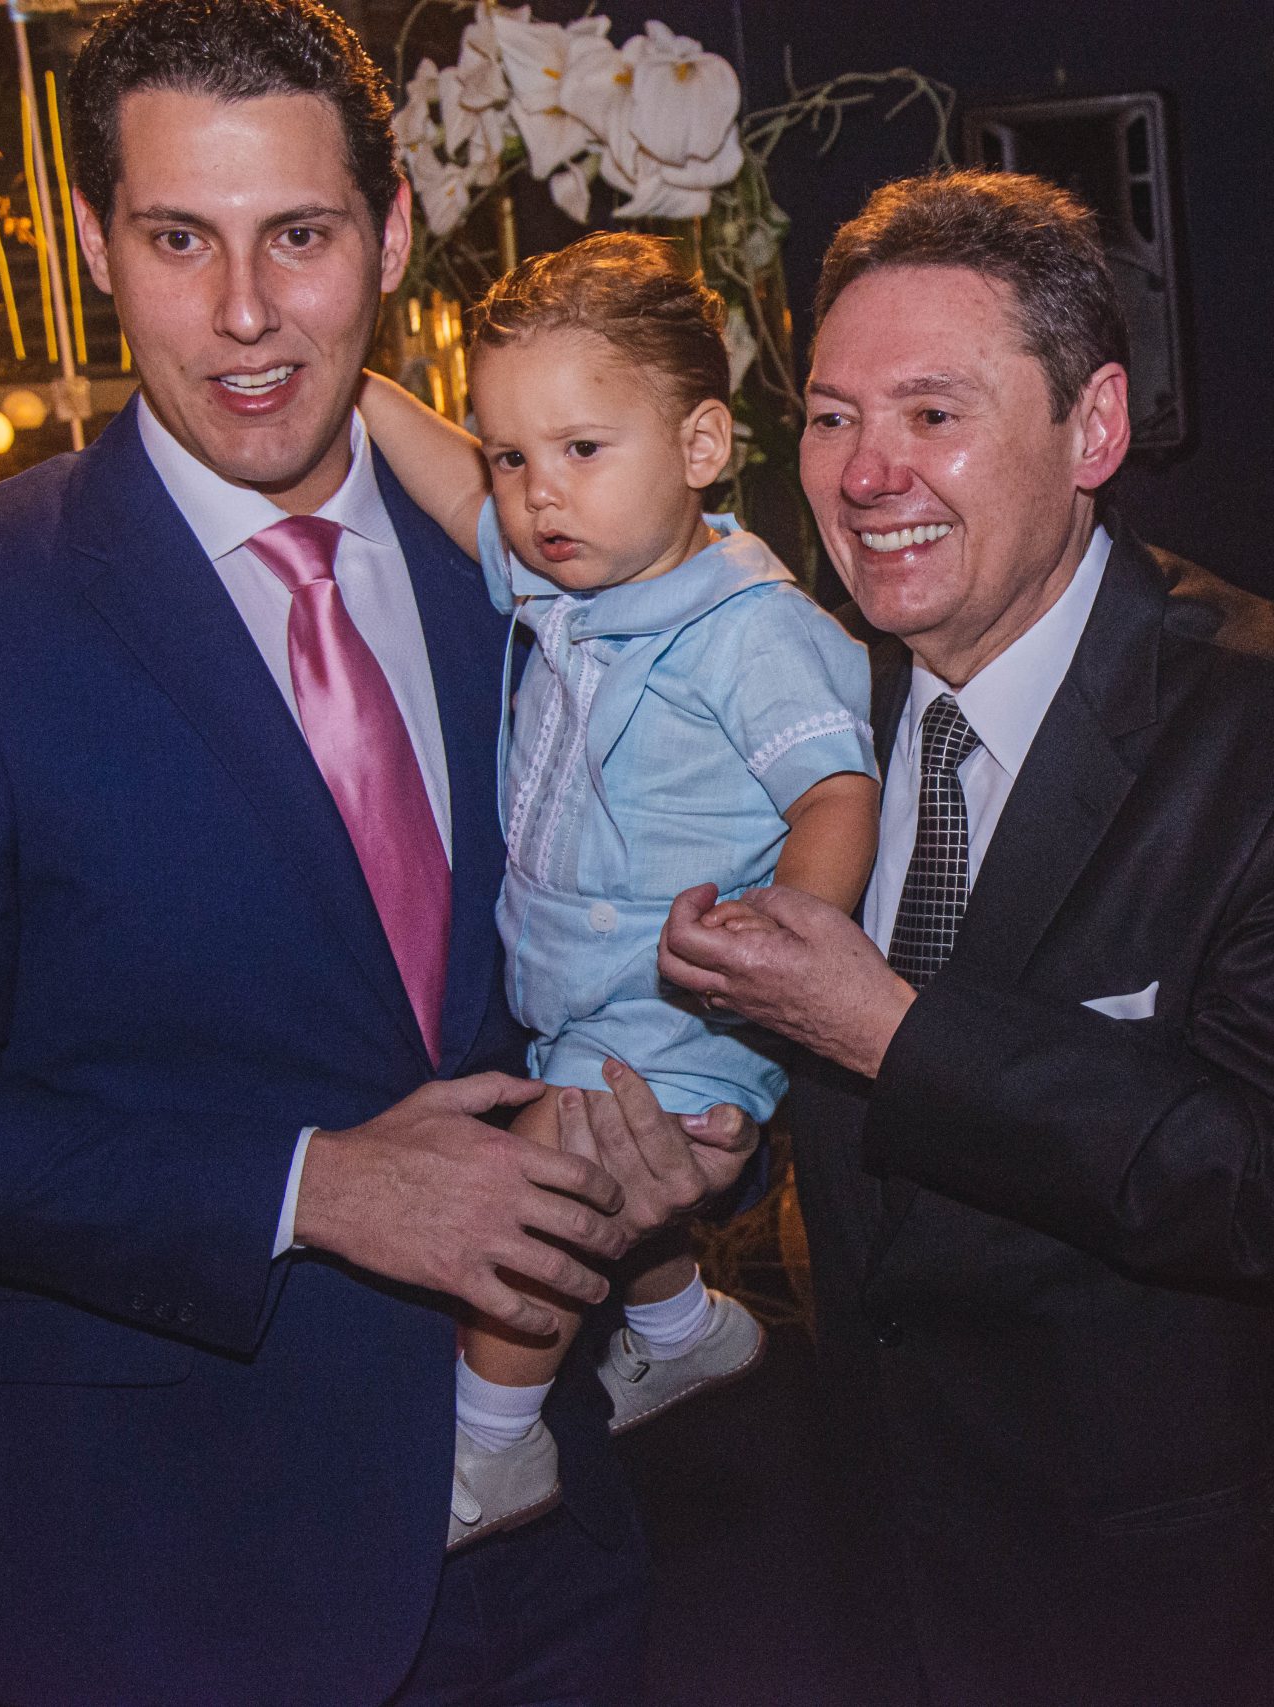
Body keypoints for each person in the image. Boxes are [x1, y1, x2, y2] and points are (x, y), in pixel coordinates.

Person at [0, 1, 755, 1701]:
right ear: (97, 246)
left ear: (390, 234)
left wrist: (692, 1129)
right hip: (164, 1573)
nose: (242, 310)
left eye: (297, 235)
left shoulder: (533, 567)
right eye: (178, 239)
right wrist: (311, 1184)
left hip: (545, 1547)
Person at [658, 169, 1274, 1707]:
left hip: (1193, 1611)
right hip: (878, 1588)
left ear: (1093, 429)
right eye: (831, 417)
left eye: (933, 413)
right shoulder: (805, 709)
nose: (866, 472)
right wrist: (701, 1156)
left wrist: (896, 1030)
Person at [357, 233, 879, 1544]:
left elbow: (836, 791)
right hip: (581, 989)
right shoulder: (564, 575)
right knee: (607, 1179)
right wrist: (350, 379)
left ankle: (496, 1444)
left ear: (700, 445)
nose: (539, 491)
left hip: (688, 994)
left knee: (541, 1189)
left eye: (583, 448)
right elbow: (449, 486)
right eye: (514, 455)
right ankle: (680, 1326)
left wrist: (786, 934)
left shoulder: (751, 629)